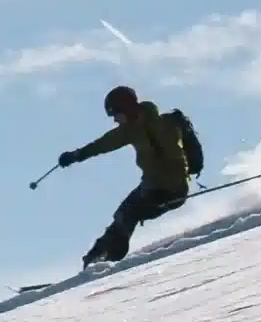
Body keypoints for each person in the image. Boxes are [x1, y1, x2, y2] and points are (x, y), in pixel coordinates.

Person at [56, 85, 190, 267]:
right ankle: (95, 256)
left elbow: (177, 157)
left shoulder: (161, 125)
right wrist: (77, 155)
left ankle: (110, 259)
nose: (115, 121)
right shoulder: (131, 129)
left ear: (127, 109)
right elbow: (104, 143)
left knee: (128, 214)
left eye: (116, 115)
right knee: (122, 213)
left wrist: (174, 185)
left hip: (170, 190)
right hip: (152, 186)